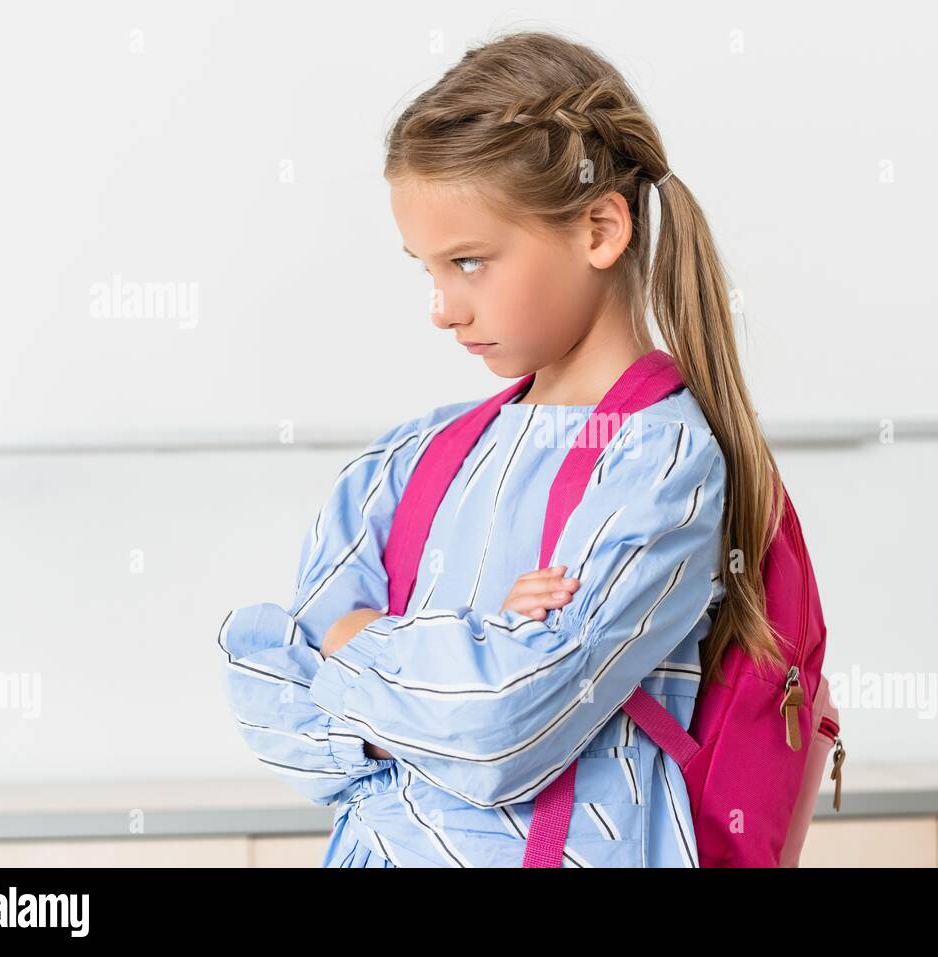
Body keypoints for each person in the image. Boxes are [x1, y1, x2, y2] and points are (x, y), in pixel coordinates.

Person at [218, 29, 790, 867]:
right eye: (427, 269)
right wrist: (475, 645)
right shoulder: (409, 458)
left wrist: (358, 640)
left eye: (470, 262)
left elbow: (503, 727)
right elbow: (268, 687)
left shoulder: (659, 464)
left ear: (600, 228)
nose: (442, 308)